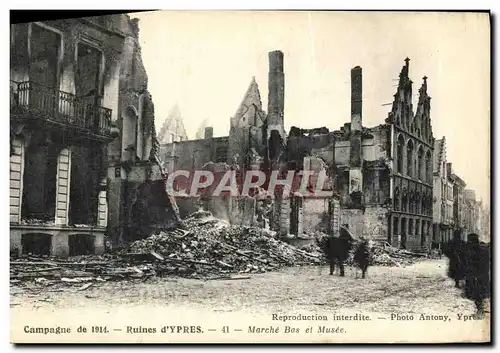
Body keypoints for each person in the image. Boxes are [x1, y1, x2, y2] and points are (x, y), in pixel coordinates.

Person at [463, 233, 490, 317]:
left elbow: (469, 264)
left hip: (476, 277)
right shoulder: (484, 249)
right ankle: (482, 310)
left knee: (477, 295)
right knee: (481, 295)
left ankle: (480, 312)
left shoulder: (472, 251)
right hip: (484, 275)